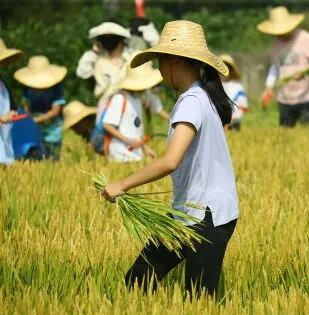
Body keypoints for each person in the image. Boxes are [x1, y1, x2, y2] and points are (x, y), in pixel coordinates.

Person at [101, 20, 239, 297]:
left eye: (160, 62)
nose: (160, 70)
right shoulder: (201, 96)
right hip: (187, 213)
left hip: (206, 216)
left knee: (199, 300)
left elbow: (170, 161)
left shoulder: (192, 101)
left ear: (174, 61)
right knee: (139, 280)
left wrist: (122, 185)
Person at [257, 7, 309, 127]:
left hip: (305, 97)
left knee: (308, 136)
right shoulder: (276, 44)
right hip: (284, 98)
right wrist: (269, 86)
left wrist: (304, 73)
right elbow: (275, 67)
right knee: (286, 136)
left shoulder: (306, 38)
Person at [101, 62, 160, 162]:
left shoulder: (137, 100)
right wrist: (128, 141)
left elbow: (134, 131)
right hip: (120, 154)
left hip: (135, 154)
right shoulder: (119, 98)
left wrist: (144, 148)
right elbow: (107, 125)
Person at [14, 55, 67, 160]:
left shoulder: (56, 88)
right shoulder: (27, 87)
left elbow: (55, 111)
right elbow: (26, 107)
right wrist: (28, 121)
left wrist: (37, 120)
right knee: (35, 156)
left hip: (52, 131)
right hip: (34, 129)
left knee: (52, 157)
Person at [76, 21, 133, 99]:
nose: (108, 40)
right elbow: (82, 73)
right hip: (105, 105)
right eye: (104, 38)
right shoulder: (96, 58)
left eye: (112, 37)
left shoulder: (131, 56)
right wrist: (94, 52)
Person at [0, 39, 22, 165]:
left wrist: (12, 114)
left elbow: (10, 108)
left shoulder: (3, 85)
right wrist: (2, 119)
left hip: (4, 145)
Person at [220, 54, 248, 131]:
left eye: (226, 68)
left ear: (231, 70)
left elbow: (242, 106)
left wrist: (231, 120)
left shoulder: (238, 88)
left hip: (233, 124)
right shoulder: (213, 87)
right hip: (217, 124)